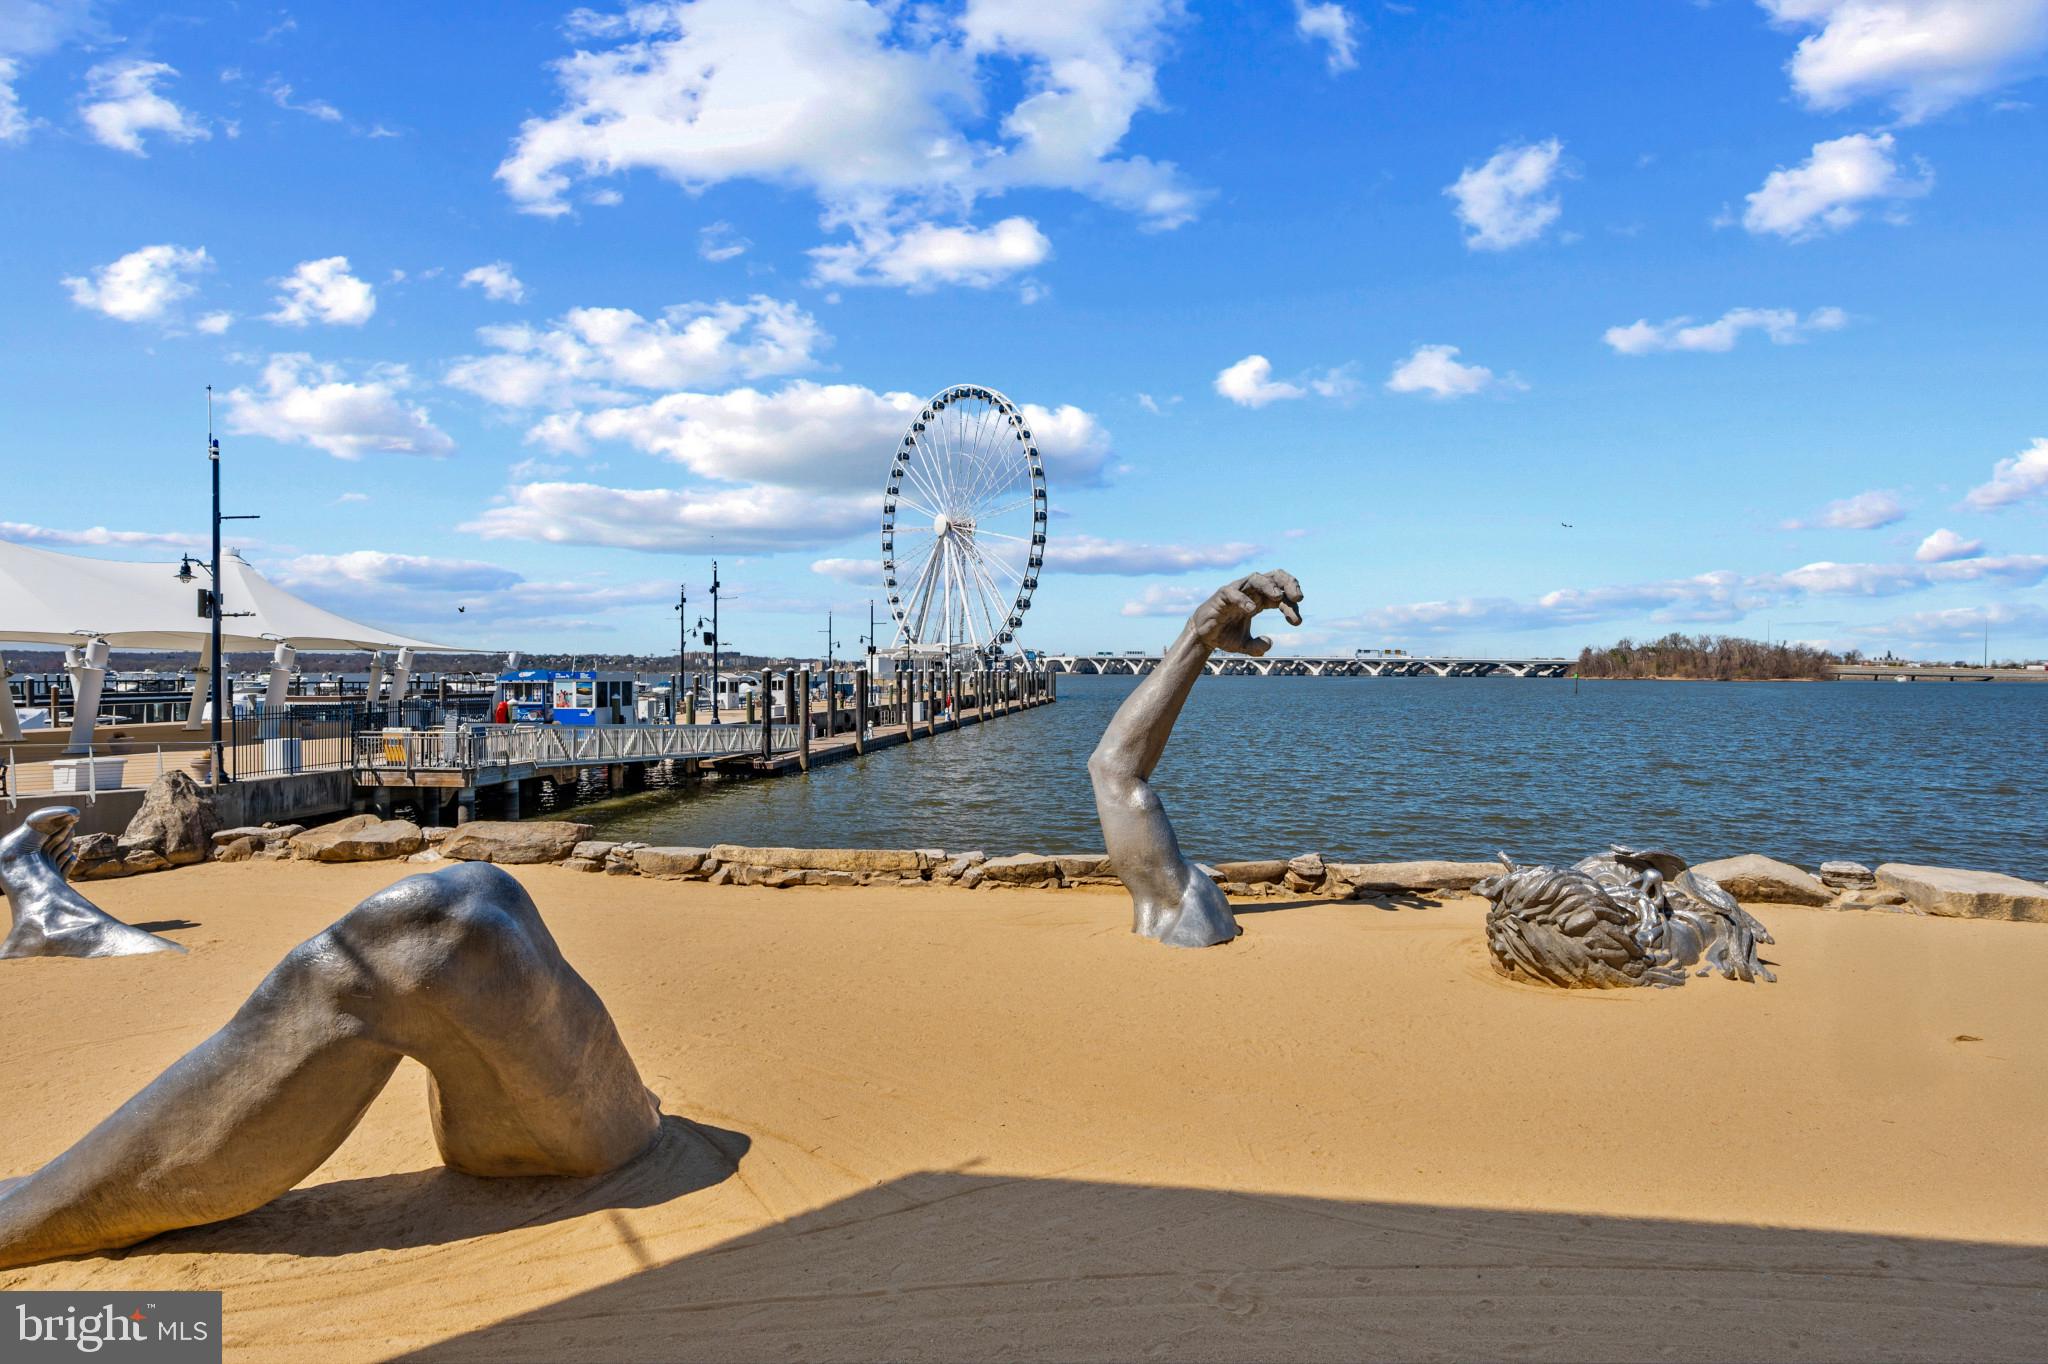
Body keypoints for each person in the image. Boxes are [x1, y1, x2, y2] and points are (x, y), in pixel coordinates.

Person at [0, 863, 660, 1268]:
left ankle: (35, 1214)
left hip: (591, 1139)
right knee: (477, 897)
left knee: (442, 931)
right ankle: (49, 1200)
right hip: (595, 1124)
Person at [1088, 570, 1304, 948]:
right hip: (1175, 909)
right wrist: (1197, 639)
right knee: (1113, 774)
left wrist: (1195, 638)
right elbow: (1114, 767)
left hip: (1191, 912)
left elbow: (1113, 767)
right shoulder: (1164, 903)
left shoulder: (1189, 908)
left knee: (1113, 773)